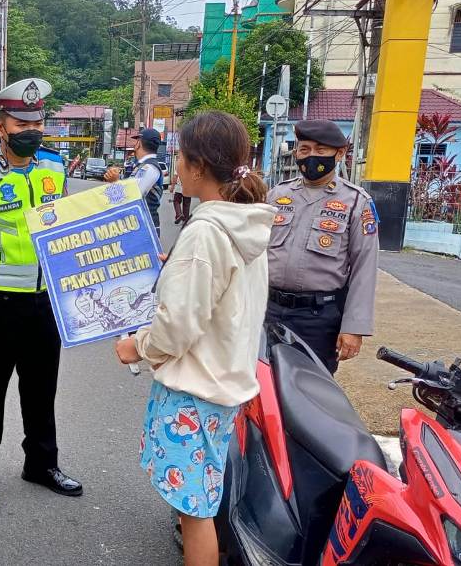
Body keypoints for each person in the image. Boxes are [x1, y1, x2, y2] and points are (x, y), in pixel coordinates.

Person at [114, 111, 274, 566]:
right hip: (222, 383)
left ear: (199, 165)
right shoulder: (239, 221)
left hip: (195, 390)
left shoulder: (206, 230)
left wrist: (137, 347)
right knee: (201, 496)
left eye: (180, 157)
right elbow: (219, 297)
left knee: (194, 511)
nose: (175, 167)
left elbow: (177, 326)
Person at [0, 77, 82, 515]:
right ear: (0, 127)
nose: (31, 128)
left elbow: (65, 232)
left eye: (37, 120)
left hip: (44, 303)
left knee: (42, 388)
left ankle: (42, 465)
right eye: (21, 121)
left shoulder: (55, 168)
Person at [266, 120, 378, 374]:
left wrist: (354, 327)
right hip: (268, 309)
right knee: (261, 387)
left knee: (310, 392)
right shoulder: (276, 195)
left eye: (320, 150)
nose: (311, 156)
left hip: (317, 318)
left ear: (339, 154)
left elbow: (365, 267)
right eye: (304, 149)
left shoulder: (356, 202)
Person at [104, 128, 166, 234]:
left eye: (136, 141)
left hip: (146, 226)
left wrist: (116, 181)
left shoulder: (150, 167)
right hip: (138, 225)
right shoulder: (142, 166)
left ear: (139, 143)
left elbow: (134, 195)